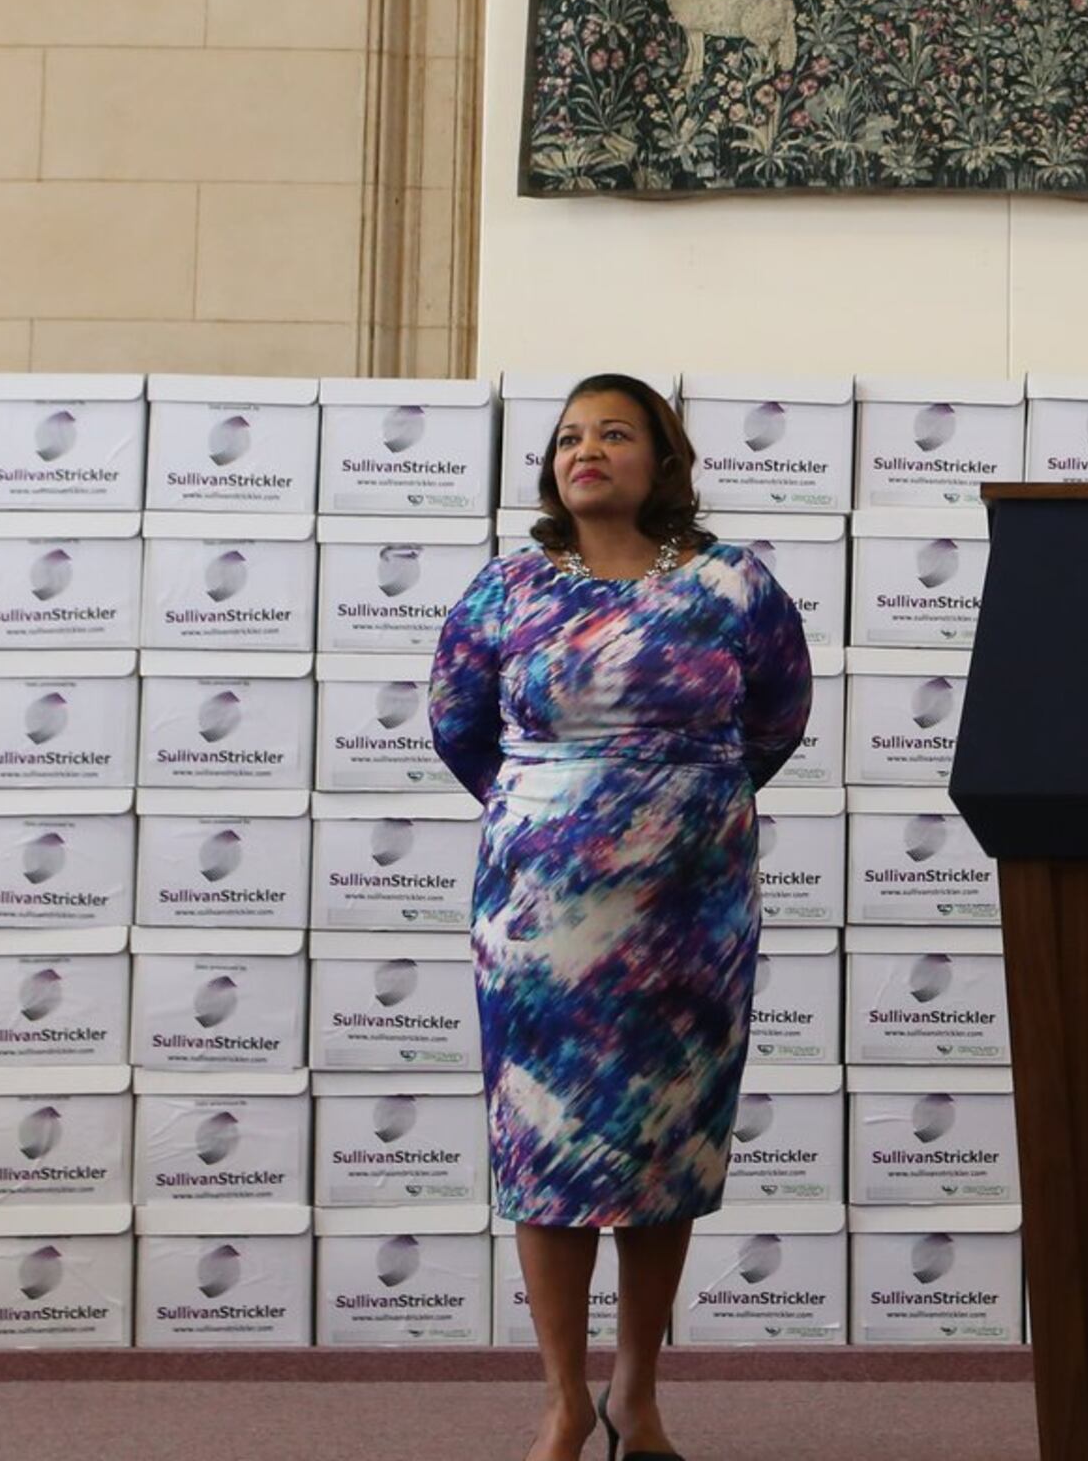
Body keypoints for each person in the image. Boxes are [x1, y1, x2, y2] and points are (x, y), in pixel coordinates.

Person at [430, 375, 814, 1461]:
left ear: (662, 459)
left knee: (667, 1152)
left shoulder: (731, 584)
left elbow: (776, 722)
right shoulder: (504, 592)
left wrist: (667, 815)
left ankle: (635, 1397)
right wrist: (568, 815)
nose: (584, 449)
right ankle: (561, 1400)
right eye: (567, 437)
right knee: (543, 1149)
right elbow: (460, 727)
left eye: (613, 432)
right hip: (540, 924)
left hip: (690, 917)